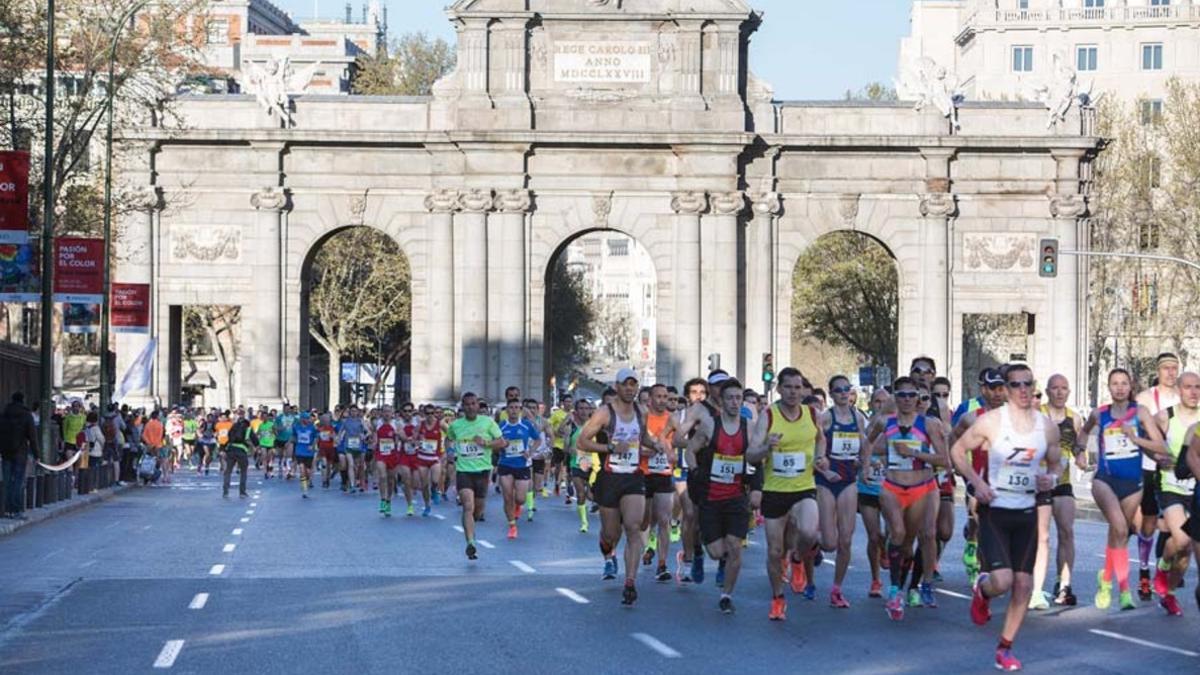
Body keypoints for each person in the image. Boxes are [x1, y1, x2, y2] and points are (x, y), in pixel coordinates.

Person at [952, 363, 1062, 672]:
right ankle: (983, 589)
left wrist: (1051, 479)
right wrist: (977, 482)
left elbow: (1057, 462)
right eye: (1016, 385)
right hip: (995, 511)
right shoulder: (990, 423)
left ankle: (1005, 648)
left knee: (1024, 586)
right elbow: (958, 451)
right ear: (1007, 389)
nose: (1023, 389)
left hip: (1027, 510)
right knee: (1002, 581)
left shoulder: (1046, 427)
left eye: (1028, 383)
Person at [1079, 368, 1166, 611]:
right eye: (1115, 383)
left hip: (1133, 482)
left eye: (1124, 383)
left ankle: (1106, 579)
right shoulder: (1100, 413)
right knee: (1119, 528)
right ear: (1109, 387)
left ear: (1130, 386)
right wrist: (1079, 451)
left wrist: (1136, 438)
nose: (1119, 387)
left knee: (1118, 536)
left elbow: (1159, 444)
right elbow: (1084, 432)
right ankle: (1125, 589)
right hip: (1105, 480)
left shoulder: (1140, 412)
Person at [747, 367, 824, 621]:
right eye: (788, 387)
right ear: (779, 389)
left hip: (803, 487)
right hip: (775, 490)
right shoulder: (768, 416)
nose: (793, 392)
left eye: (798, 387)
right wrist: (767, 447)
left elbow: (821, 439)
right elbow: (751, 455)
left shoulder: (812, 414)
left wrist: (820, 457)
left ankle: (799, 558)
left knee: (809, 531)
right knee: (774, 551)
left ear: (803, 389)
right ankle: (778, 598)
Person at [872, 376, 950, 620]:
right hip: (894, 485)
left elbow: (943, 459)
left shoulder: (931, 423)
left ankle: (923, 584)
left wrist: (914, 453)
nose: (908, 399)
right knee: (900, 535)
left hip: (925, 484)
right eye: (902, 395)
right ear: (896, 398)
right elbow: (870, 444)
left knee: (925, 535)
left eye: (913, 395)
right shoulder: (888, 422)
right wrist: (869, 464)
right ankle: (897, 589)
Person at [577, 368, 654, 607]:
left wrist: (656, 445)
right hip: (609, 478)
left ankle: (630, 581)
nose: (630, 388)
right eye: (626, 384)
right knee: (612, 533)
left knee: (633, 527)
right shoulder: (604, 413)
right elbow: (582, 441)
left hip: (633, 477)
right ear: (618, 387)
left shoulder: (642, 412)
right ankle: (606, 545)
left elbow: (643, 438)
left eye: (634, 384)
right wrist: (610, 448)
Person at [686, 377, 755, 614]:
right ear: (722, 401)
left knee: (735, 546)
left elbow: (756, 459)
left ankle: (726, 595)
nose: (735, 402)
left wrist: (756, 487)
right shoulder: (709, 425)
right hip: (711, 496)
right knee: (716, 552)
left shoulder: (749, 427)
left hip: (736, 496)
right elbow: (690, 450)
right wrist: (695, 471)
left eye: (738, 397)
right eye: (730, 398)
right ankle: (709, 557)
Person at [952, 368, 1008, 585]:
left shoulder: (1014, 417)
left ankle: (981, 552)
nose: (997, 393)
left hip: (1006, 482)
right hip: (978, 479)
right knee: (983, 525)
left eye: (1001, 388)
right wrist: (957, 464)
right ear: (983, 389)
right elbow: (953, 438)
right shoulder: (970, 417)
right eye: (992, 388)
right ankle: (983, 573)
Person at [1151, 371, 1200, 616]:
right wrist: (1156, 455)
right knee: (1182, 540)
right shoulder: (1164, 416)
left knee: (1187, 548)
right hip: (1170, 485)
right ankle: (1162, 565)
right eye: (1189, 387)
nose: (1194, 392)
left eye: (1198, 387)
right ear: (1179, 390)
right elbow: (1150, 441)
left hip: (1195, 489)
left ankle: (1168, 593)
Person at [1134, 353, 1181, 601]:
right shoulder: (1144, 399)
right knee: (1150, 522)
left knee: (1179, 522)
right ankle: (1144, 571)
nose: (1171, 373)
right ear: (1158, 370)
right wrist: (1155, 455)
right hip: (1149, 466)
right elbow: (1138, 433)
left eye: (1175, 368)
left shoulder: (1184, 397)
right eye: (1166, 368)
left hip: (1176, 469)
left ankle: (1167, 564)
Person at [815, 374, 864, 609]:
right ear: (832, 394)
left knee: (846, 540)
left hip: (848, 480)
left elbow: (865, 446)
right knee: (829, 544)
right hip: (827, 480)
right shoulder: (825, 419)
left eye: (847, 389)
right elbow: (816, 454)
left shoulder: (858, 418)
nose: (844, 393)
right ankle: (812, 541)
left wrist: (863, 463)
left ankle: (837, 589)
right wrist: (825, 471)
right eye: (838, 390)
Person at [1034, 374, 1082, 607]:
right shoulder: (1038, 414)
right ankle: (1034, 586)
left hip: (1062, 482)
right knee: (1040, 537)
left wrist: (1083, 459)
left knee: (1067, 532)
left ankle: (1064, 584)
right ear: (1048, 391)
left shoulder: (1075, 418)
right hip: (1040, 483)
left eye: (1064, 388)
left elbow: (1078, 450)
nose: (1060, 392)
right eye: (1055, 388)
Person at [447, 393, 505, 559]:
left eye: (473, 404)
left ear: (478, 406)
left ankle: (471, 528)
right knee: (468, 506)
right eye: (467, 404)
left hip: (483, 471)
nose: (471, 407)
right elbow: (448, 439)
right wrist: (450, 452)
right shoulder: (456, 425)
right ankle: (470, 542)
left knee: (478, 510)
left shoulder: (488, 423)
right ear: (463, 407)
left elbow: (501, 442)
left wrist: (486, 443)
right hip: (464, 471)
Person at [639, 383, 678, 582]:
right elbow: (634, 446)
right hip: (643, 473)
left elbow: (677, 442)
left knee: (664, 519)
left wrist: (672, 455)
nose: (663, 400)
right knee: (645, 521)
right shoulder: (642, 418)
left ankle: (662, 564)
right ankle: (648, 543)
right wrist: (650, 451)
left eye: (665, 396)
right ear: (650, 398)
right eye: (659, 396)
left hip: (663, 473)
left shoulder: (671, 419)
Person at [859, 389, 893, 598]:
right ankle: (875, 580)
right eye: (877, 401)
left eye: (885, 402)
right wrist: (863, 463)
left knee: (891, 535)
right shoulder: (863, 424)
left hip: (889, 487)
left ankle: (886, 549)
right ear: (871, 403)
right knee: (874, 536)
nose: (881, 405)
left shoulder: (895, 425)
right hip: (868, 486)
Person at [497, 399, 540, 539]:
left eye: (517, 407)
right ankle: (512, 525)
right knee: (507, 496)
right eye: (511, 407)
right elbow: (494, 443)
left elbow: (538, 439)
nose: (514, 410)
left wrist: (531, 451)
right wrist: (501, 445)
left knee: (520, 499)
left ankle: (517, 507)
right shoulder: (501, 426)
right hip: (505, 464)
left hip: (522, 465)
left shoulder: (527, 425)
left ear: (520, 410)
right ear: (507, 410)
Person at [0, 393, 40, 520]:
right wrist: (36, 454)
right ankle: (16, 510)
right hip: (20, 453)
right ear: (23, 401)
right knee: (17, 481)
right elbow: (33, 437)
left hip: (5, 453)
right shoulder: (26, 415)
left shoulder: (4, 415)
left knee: (6, 481)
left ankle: (6, 510)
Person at [563, 398, 596, 532]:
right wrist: (571, 449)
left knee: (591, 495)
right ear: (576, 411)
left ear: (590, 410)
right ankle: (584, 522)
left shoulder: (596, 426)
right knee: (581, 494)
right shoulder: (571, 427)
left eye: (586, 408)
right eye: (581, 408)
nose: (584, 411)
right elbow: (566, 448)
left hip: (593, 465)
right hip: (577, 463)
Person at [374, 407, 401, 516]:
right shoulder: (378, 424)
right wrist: (374, 443)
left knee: (390, 480)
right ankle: (382, 500)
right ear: (382, 413)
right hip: (381, 454)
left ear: (392, 413)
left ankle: (388, 500)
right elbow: (375, 437)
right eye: (384, 412)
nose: (386, 414)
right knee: (382, 476)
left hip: (392, 454)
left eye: (389, 412)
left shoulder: (396, 424)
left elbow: (398, 440)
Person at [223, 411, 254, 499]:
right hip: (241, 451)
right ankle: (242, 492)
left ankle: (225, 491)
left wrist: (224, 449)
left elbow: (228, 438)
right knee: (243, 472)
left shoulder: (233, 427)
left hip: (231, 450)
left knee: (228, 471)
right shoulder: (248, 429)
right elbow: (255, 441)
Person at [289, 412, 318, 499]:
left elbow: (316, 437)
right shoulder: (296, 427)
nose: (307, 420)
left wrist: (312, 446)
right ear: (301, 419)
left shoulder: (312, 427)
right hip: (299, 451)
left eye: (308, 418)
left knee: (308, 472)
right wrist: (290, 443)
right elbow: (293, 436)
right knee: (302, 470)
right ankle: (304, 490)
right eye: (305, 418)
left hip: (309, 452)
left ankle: (308, 481)